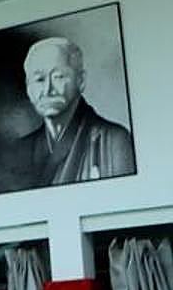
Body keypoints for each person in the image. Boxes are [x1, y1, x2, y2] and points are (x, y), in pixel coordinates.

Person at [9, 37, 135, 190]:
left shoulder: (113, 141)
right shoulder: (19, 150)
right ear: (28, 89)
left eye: (58, 77)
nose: (48, 89)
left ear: (81, 81)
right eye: (40, 79)